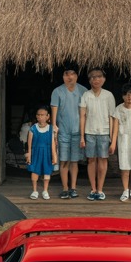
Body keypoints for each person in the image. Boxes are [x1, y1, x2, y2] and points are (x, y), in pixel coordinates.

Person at [78, 67, 116, 201]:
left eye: (99, 77)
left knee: (103, 160)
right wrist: (82, 136)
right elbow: (82, 116)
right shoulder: (86, 95)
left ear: (104, 79)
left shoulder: (108, 95)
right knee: (91, 160)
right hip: (89, 132)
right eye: (93, 77)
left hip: (104, 132)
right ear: (89, 80)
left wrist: (111, 136)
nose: (96, 79)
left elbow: (112, 116)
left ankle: (100, 189)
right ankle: (93, 189)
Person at [50, 65, 87, 199]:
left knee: (74, 161)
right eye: (66, 74)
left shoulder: (83, 91)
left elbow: (85, 113)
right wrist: (54, 126)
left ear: (76, 76)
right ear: (63, 76)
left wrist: (84, 132)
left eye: (72, 74)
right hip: (63, 131)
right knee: (64, 160)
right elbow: (54, 109)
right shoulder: (57, 91)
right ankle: (65, 188)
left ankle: (73, 188)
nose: (69, 77)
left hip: (78, 131)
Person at [25, 105, 57, 200]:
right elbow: (29, 144)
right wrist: (29, 155)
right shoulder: (33, 129)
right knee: (35, 170)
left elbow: (53, 143)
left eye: (42, 115)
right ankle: (35, 191)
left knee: (47, 171)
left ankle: (45, 190)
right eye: (38, 115)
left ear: (48, 116)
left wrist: (54, 155)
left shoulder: (51, 129)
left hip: (47, 153)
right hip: (36, 153)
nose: (40, 117)